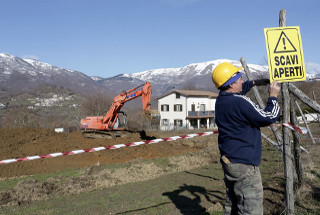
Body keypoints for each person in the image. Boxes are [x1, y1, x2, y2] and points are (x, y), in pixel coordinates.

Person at [212, 62, 281, 215]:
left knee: (233, 206)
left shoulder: (221, 100)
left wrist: (257, 82)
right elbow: (269, 117)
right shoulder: (240, 102)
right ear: (230, 85)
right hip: (245, 165)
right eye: (239, 79)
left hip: (230, 161)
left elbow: (241, 89)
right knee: (251, 210)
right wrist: (273, 97)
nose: (243, 81)